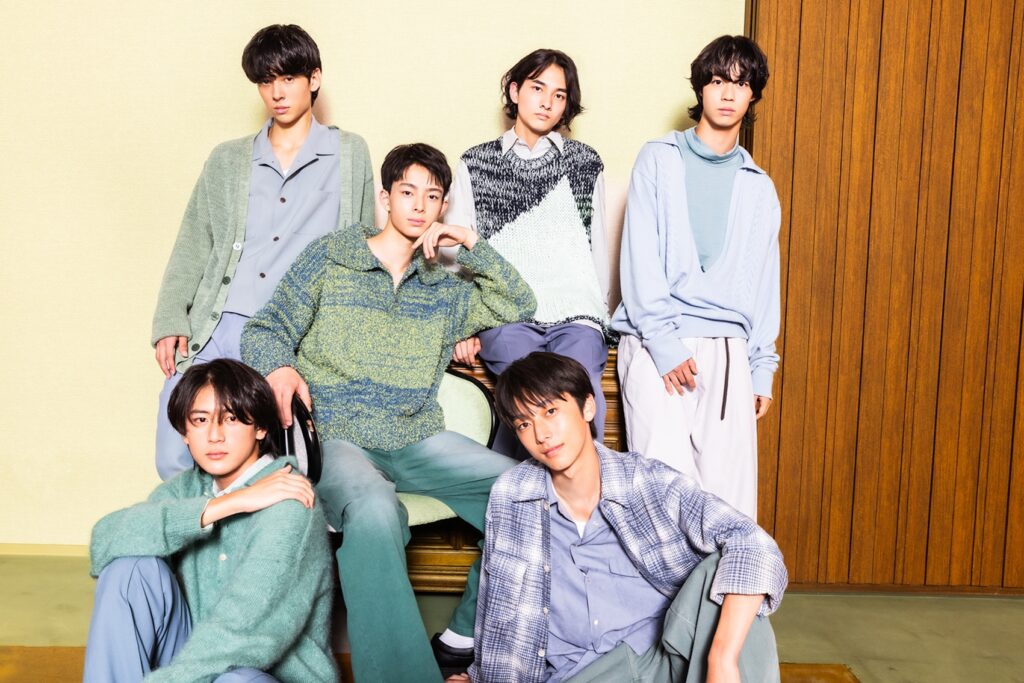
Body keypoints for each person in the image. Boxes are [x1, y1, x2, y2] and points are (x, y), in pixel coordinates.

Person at [241, 143, 536, 682]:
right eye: (407, 192)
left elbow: (519, 302)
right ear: (385, 198)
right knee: (376, 512)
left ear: (442, 207)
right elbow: (265, 328)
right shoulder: (331, 258)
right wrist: (279, 369)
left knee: (529, 492)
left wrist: (469, 243)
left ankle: (462, 636)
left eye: (433, 197)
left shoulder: (444, 288)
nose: (420, 206)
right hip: (338, 435)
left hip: (417, 437)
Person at [453, 352, 786, 683]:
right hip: (583, 673)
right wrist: (480, 676)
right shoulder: (512, 494)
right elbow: (500, 600)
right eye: (524, 424)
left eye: (551, 411)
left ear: (588, 407)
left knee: (730, 578)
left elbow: (752, 542)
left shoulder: (645, 480)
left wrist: (721, 659)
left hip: (661, 658)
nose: (541, 434)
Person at [151, 23, 375, 480]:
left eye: (288, 78)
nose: (277, 92)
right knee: (177, 437)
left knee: (279, 453)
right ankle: (189, 522)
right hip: (222, 323)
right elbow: (194, 240)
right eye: (266, 81)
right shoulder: (228, 159)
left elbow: (361, 248)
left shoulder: (349, 154)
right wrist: (171, 318)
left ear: (314, 78)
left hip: (294, 330)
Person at [83, 359, 337, 682]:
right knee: (129, 568)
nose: (214, 435)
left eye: (231, 419)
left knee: (235, 680)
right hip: (191, 662)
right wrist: (224, 505)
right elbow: (105, 540)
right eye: (200, 420)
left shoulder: (291, 501)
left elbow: (242, 634)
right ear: (185, 433)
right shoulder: (186, 490)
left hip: (260, 672)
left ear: (260, 428)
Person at [611, 35, 780, 520]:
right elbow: (639, 258)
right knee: (662, 500)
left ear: (752, 95)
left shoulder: (760, 187)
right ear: (701, 87)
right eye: (718, 80)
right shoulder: (658, 158)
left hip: (728, 351)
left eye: (741, 83)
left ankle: (723, 578)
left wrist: (762, 366)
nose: (728, 92)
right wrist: (664, 345)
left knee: (729, 508)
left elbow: (765, 283)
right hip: (656, 343)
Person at [444, 48, 610, 458]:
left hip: (577, 312)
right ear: (516, 91)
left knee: (579, 391)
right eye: (538, 88)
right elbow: (456, 254)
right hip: (506, 313)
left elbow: (598, 250)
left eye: (559, 94)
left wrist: (600, 317)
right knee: (524, 393)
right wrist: (462, 327)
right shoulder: (477, 162)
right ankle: (515, 491)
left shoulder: (585, 163)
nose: (547, 102)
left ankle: (583, 492)